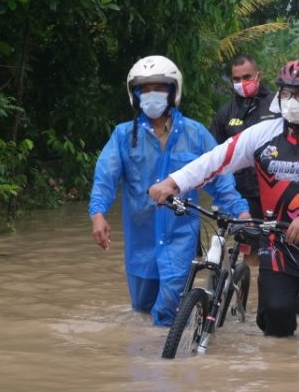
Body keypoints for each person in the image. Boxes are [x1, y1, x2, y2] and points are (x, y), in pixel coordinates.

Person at [149, 59, 299, 340]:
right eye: (287, 93)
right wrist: (173, 182)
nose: (293, 101)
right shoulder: (263, 134)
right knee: (275, 320)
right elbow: (216, 159)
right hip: (277, 247)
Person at [89, 55, 249, 327]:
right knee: (141, 310)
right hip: (140, 241)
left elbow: (219, 177)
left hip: (179, 236)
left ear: (172, 91)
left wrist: (241, 211)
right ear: (135, 94)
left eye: (159, 88)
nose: (152, 95)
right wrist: (98, 214)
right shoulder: (122, 135)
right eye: (145, 89)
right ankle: (143, 362)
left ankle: (166, 363)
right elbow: (105, 176)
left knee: (166, 312)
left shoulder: (196, 134)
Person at [209, 55, 278, 219]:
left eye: (246, 77)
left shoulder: (278, 104)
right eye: (236, 79)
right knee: (247, 240)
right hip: (242, 195)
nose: (242, 82)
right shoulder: (225, 112)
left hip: (277, 190)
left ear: (258, 75)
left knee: (279, 241)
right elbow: (214, 156)